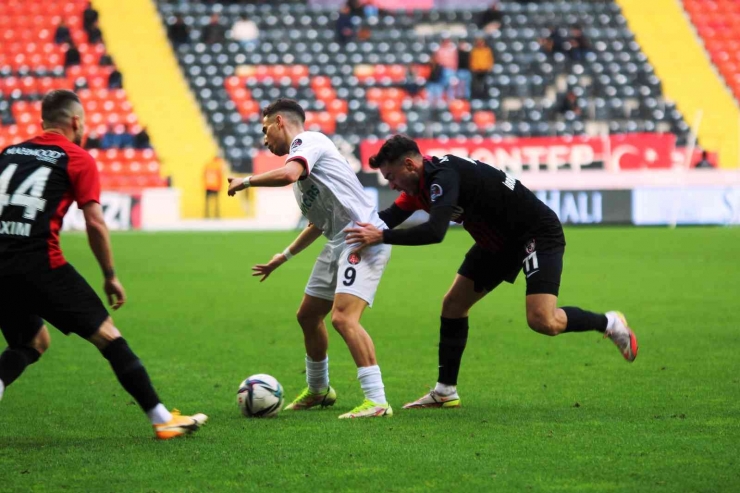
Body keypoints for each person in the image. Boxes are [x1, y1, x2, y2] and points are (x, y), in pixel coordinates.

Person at [345, 135, 639, 409]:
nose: (392, 185)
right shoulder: (418, 187)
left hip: (535, 233)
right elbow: (386, 219)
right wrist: (339, 222)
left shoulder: (441, 177)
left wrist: (380, 238)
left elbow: (435, 232)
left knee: (543, 321)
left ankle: (610, 323)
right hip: (497, 243)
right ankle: (445, 390)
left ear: (409, 164)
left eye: (391, 177)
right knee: (453, 305)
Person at [0, 90, 206, 439]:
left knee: (32, 341)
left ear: (42, 121)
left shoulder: (7, 153)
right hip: (39, 262)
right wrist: (110, 276)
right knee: (109, 336)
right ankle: (161, 419)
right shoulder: (77, 158)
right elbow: (95, 222)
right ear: (76, 121)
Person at [227, 98, 393, 419]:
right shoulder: (302, 175)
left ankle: (377, 401)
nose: (264, 139)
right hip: (338, 239)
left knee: (343, 318)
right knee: (308, 315)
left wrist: (246, 181)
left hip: (362, 235)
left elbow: (289, 174)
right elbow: (318, 223)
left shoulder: (308, 142)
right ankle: (319, 390)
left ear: (279, 122)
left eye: (265, 131)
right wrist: (283, 257)